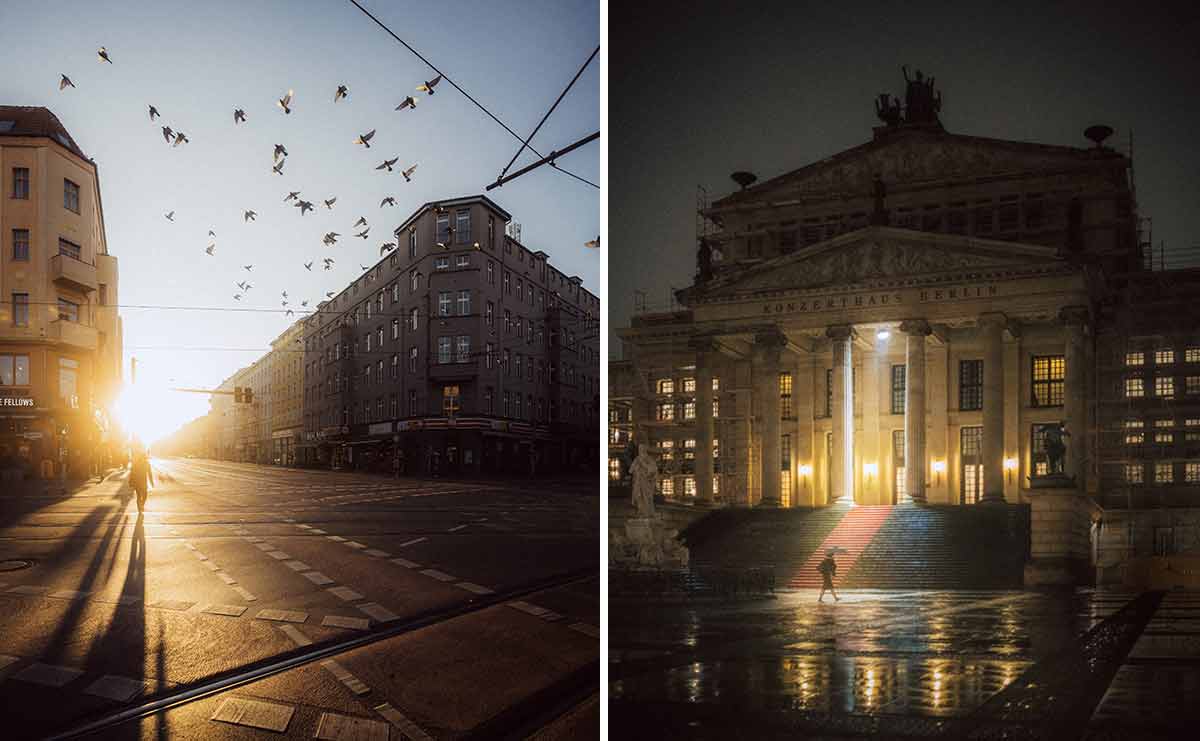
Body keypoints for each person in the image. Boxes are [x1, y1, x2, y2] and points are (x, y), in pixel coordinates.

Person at [129, 448, 154, 515]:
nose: (144, 458)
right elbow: (132, 473)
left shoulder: (147, 464)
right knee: (139, 496)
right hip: (138, 482)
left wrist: (152, 482)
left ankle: (141, 505)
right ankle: (140, 509)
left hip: (143, 482)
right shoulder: (137, 464)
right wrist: (131, 481)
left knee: (144, 495)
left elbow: (150, 473)